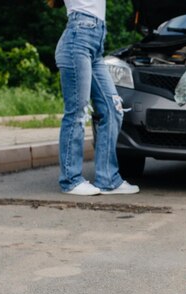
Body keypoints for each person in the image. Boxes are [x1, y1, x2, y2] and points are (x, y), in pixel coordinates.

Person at [54, 0, 139, 195]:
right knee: (77, 111)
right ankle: (71, 179)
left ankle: (108, 178)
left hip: (95, 41)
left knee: (113, 109)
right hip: (78, 38)